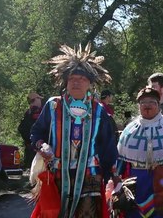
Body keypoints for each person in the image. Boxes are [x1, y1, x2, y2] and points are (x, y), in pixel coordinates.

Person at [30, 43, 118, 218]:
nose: (76, 82)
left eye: (82, 79)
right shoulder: (53, 106)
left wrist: (111, 176)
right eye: (72, 78)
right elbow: (37, 133)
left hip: (90, 178)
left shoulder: (99, 111)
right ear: (65, 82)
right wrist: (42, 146)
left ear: (90, 84)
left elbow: (108, 145)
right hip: (56, 175)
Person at [116, 87, 163, 218]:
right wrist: (116, 180)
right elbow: (120, 161)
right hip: (138, 183)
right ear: (138, 106)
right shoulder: (129, 131)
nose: (147, 106)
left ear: (158, 105)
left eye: (151, 102)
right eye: (143, 103)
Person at [18, 92, 43, 169]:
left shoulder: (39, 111)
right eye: (38, 98)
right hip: (34, 147)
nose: (40, 100)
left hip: (40, 146)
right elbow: (21, 128)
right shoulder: (30, 113)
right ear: (34, 100)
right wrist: (29, 140)